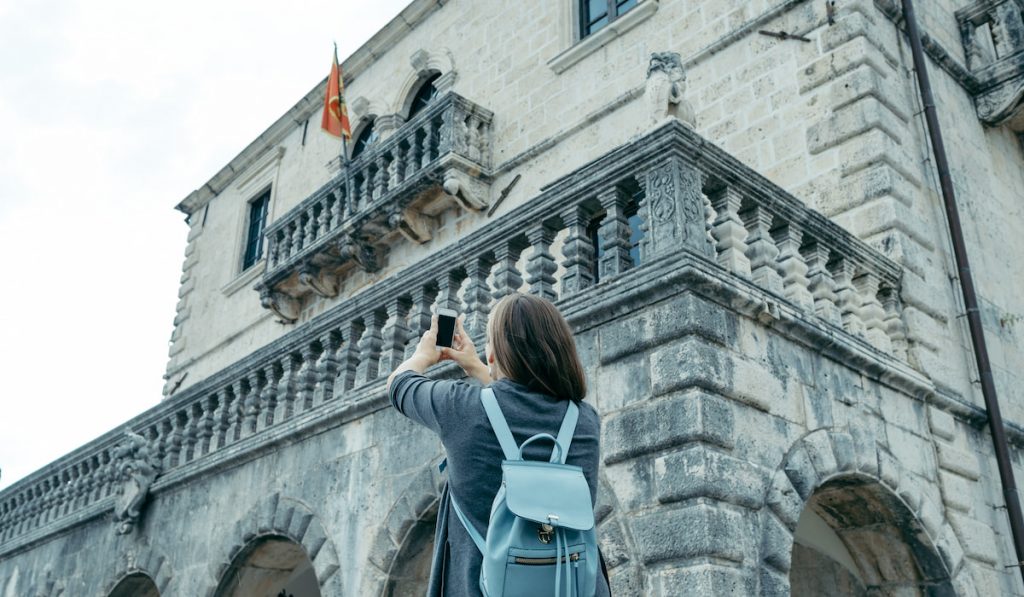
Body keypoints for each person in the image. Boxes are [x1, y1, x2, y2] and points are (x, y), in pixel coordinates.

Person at [387, 292, 611, 597]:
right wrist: (479, 369)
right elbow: (519, 410)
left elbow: (399, 385)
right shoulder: (585, 421)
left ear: (494, 354)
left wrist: (423, 355)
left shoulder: (462, 408)